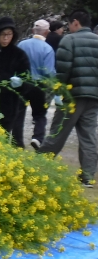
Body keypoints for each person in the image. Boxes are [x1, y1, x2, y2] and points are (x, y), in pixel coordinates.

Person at [37, 10, 98, 187]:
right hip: (93, 97)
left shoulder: (69, 40)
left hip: (72, 95)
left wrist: (59, 89)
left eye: (69, 24)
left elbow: (63, 69)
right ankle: (88, 176)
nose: (68, 28)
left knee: (58, 132)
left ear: (76, 23)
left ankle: (40, 165)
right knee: (88, 136)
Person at [13, 20, 55, 149]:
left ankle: (17, 142)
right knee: (39, 114)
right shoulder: (47, 49)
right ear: (47, 32)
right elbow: (49, 72)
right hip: (39, 86)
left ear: (32, 31)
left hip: (21, 83)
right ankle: (37, 137)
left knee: (19, 113)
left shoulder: (21, 44)